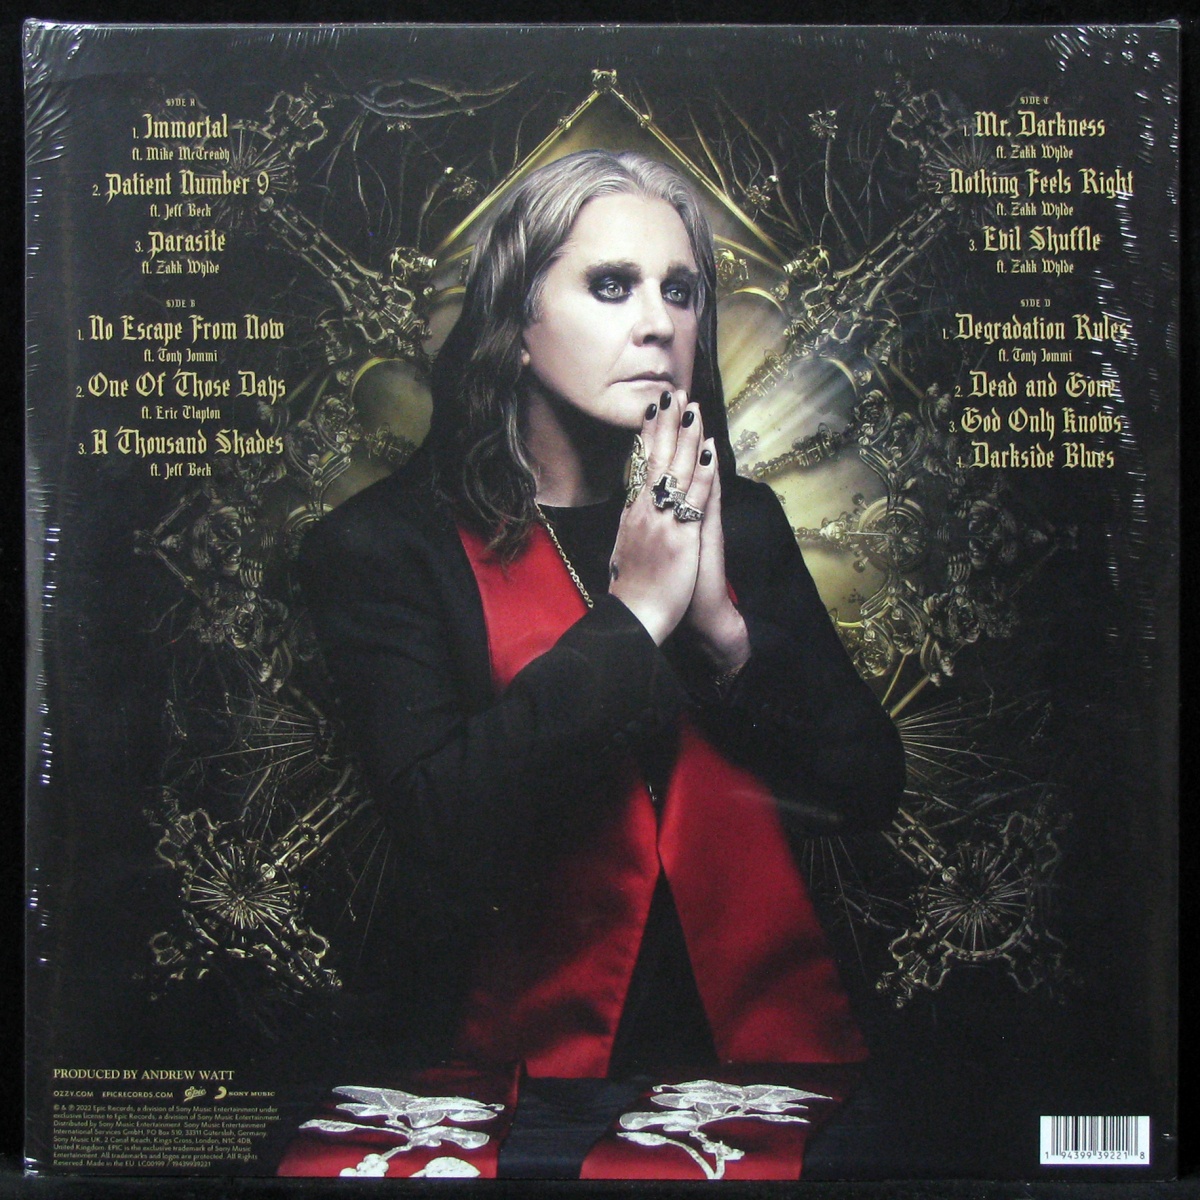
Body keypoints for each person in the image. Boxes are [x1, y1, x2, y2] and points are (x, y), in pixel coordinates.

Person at [299, 150, 906, 1083]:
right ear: (518, 322)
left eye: (681, 291)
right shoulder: (381, 546)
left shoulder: (741, 522)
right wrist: (637, 614)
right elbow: (441, 834)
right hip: (506, 1069)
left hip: (758, 1048)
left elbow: (869, 789)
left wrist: (725, 636)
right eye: (612, 286)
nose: (659, 323)